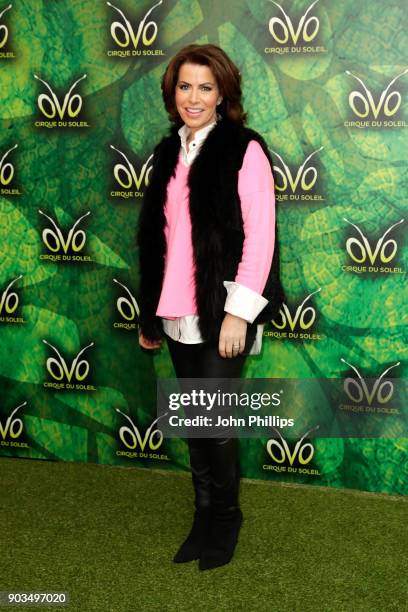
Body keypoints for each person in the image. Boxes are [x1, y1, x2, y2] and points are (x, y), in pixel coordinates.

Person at [137, 43, 283, 571]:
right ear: (171, 93)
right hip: (175, 309)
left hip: (222, 312)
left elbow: (261, 238)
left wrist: (238, 313)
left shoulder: (244, 150)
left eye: (204, 87)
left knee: (216, 423)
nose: (192, 97)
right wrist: (151, 313)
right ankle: (202, 515)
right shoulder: (166, 152)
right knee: (194, 423)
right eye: (184, 86)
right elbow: (160, 240)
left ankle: (226, 519)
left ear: (223, 94)